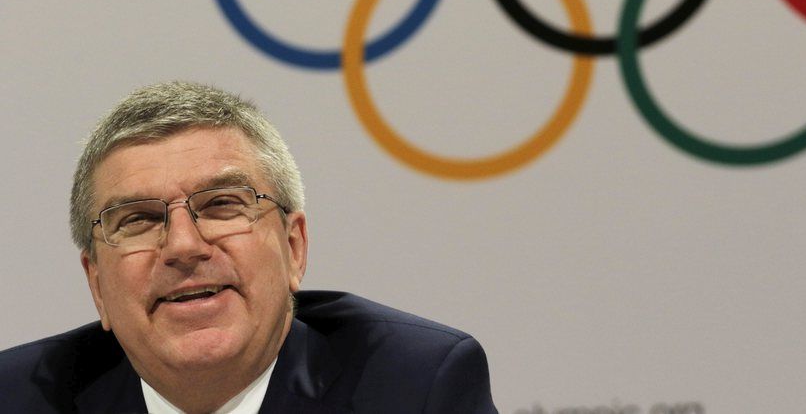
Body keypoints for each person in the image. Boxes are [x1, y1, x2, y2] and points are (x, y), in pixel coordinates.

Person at [0, 81, 498, 413]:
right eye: (139, 219)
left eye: (221, 206)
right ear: (97, 285)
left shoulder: (412, 387)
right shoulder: (18, 397)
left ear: (293, 248)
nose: (182, 245)